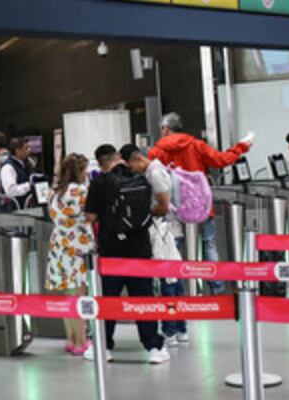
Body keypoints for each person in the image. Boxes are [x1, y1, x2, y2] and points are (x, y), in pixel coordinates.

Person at [84, 144, 170, 364]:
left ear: (101, 163)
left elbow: (91, 217)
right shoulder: (140, 177)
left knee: (109, 299)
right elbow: (154, 207)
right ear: (117, 157)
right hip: (140, 247)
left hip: (112, 250)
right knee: (143, 297)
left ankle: (103, 346)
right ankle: (154, 347)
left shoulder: (99, 182)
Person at [148, 112, 251, 293]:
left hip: (172, 205)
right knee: (209, 243)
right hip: (200, 204)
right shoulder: (196, 145)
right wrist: (241, 147)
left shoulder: (156, 151)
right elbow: (221, 160)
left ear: (165, 128)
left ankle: (173, 288)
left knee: (173, 245)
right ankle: (216, 288)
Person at [46, 153, 94, 358]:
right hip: (78, 247)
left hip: (59, 246)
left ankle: (71, 339)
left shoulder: (55, 193)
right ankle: (82, 341)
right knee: (80, 294)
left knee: (68, 296)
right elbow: (91, 215)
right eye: (85, 170)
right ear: (79, 171)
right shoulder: (81, 191)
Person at [140, 150, 185, 344]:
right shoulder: (163, 170)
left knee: (168, 283)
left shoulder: (154, 173)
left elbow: (163, 207)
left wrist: (142, 209)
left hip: (165, 232)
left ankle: (170, 330)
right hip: (172, 231)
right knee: (175, 282)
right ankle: (181, 328)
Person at [0, 134, 33, 211]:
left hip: (27, 209)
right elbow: (11, 191)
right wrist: (29, 186)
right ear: (17, 150)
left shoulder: (26, 164)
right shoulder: (8, 167)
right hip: (15, 212)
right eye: (26, 148)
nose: (29, 150)